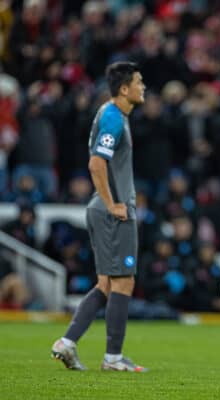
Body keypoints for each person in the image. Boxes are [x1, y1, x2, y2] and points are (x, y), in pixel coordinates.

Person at [51, 61, 147, 372]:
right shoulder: (113, 118)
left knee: (107, 283)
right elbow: (96, 164)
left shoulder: (112, 114)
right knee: (123, 282)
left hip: (104, 211)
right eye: (139, 82)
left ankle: (68, 343)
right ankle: (113, 358)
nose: (143, 87)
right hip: (113, 214)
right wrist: (113, 204)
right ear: (124, 88)